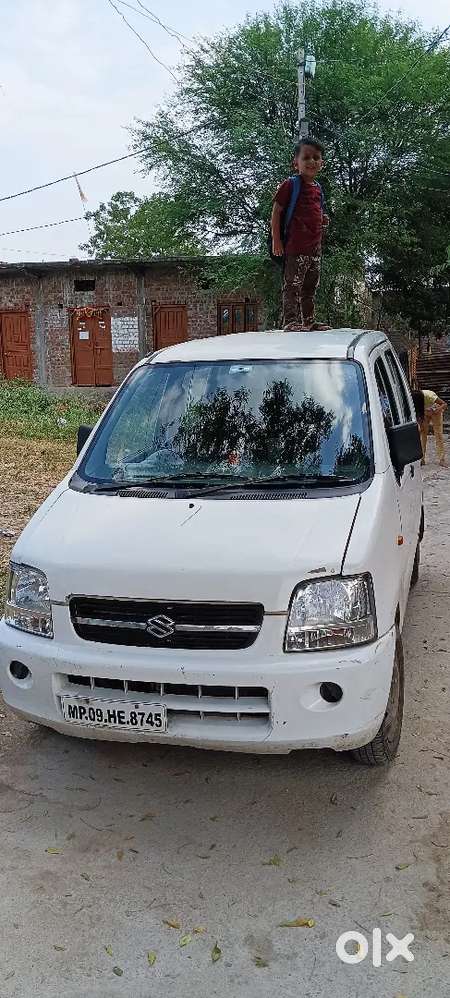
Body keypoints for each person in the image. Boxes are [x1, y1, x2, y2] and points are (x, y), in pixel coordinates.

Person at [271, 138, 330, 331]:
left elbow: (314, 211)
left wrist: (322, 219)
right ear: (295, 163)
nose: (312, 161)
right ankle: (291, 321)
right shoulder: (291, 184)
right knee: (292, 286)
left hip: (315, 248)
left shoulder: (318, 189)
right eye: (306, 157)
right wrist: (277, 240)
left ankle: (309, 321)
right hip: (296, 247)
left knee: (310, 287)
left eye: (316, 158)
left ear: (322, 163)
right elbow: (277, 211)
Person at [412, 389, 447, 467]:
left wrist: (437, 410)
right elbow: (417, 411)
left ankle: (442, 459)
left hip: (436, 411)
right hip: (424, 412)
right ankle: (422, 459)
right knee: (422, 433)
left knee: (438, 434)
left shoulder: (429, 396)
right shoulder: (415, 399)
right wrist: (419, 422)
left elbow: (444, 404)